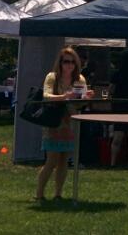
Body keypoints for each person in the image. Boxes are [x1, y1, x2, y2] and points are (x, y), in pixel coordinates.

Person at [36, 46, 91, 202]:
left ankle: (58, 194)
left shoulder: (80, 79)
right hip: (54, 121)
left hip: (70, 122)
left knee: (64, 160)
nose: (70, 65)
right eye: (66, 61)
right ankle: (39, 193)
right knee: (52, 160)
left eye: (73, 62)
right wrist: (65, 96)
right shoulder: (52, 77)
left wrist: (86, 98)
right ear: (60, 63)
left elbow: (79, 104)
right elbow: (46, 95)